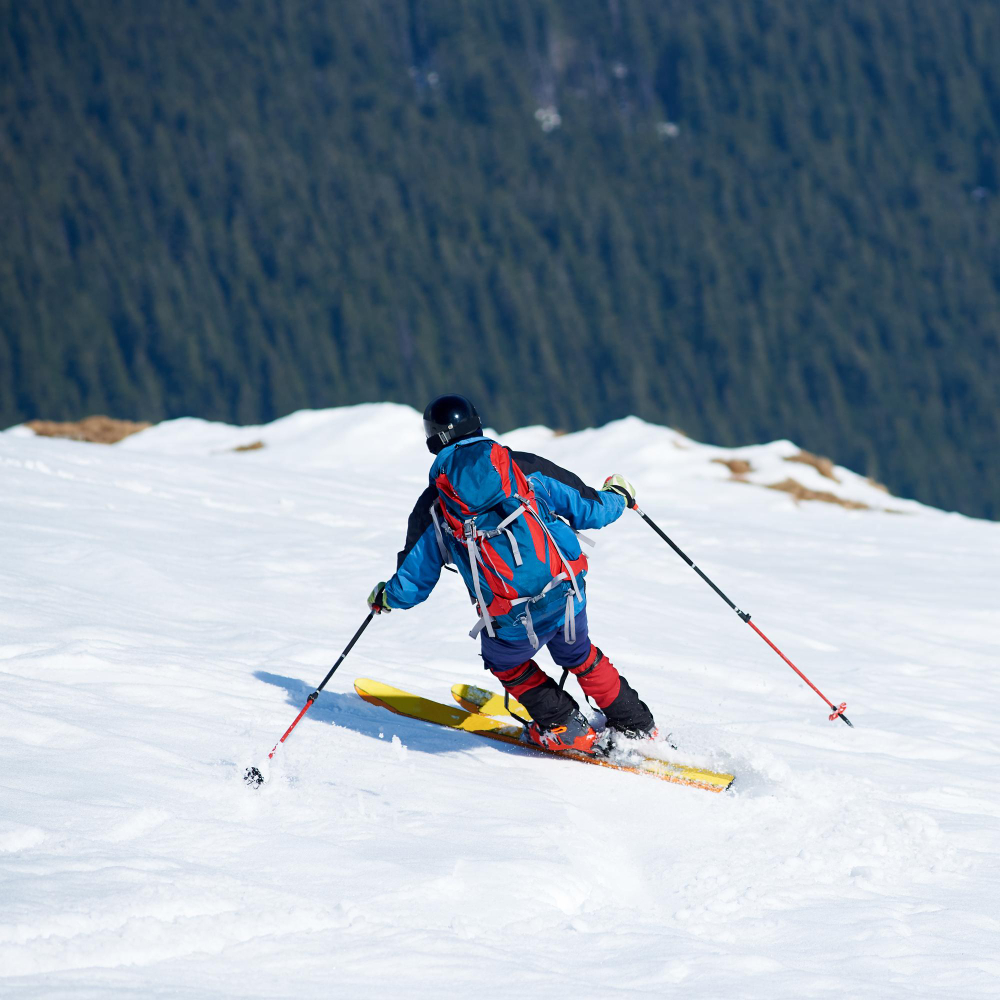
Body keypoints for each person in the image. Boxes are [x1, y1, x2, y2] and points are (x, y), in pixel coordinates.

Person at [367, 394, 656, 755]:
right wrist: (618, 495)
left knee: (505, 659)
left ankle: (564, 726)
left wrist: (386, 597)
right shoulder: (523, 468)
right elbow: (591, 510)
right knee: (579, 653)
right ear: (477, 423)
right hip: (566, 591)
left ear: (432, 441)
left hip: (509, 615)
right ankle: (637, 726)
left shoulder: (435, 506)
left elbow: (413, 582)